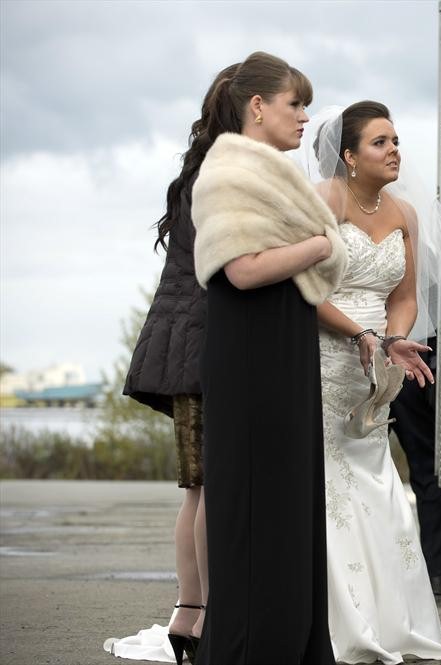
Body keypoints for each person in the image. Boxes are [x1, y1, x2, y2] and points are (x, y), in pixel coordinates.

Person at [191, 51, 347, 665]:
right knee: (259, 511)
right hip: (252, 358)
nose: (305, 117)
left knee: (288, 509)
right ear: (258, 107)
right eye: (295, 103)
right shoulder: (229, 172)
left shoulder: (272, 174)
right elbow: (243, 269)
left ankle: (292, 644)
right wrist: (319, 243)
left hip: (281, 349)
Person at [309, 101, 441, 663]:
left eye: (396, 140)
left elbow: (404, 296)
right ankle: (332, 622)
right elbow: (308, 289)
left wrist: (394, 338)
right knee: (330, 489)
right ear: (348, 155)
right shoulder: (322, 201)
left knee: (379, 484)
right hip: (326, 355)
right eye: (379, 142)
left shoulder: (403, 213)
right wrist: (359, 334)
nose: (395, 150)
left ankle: (389, 618)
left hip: (377, 365)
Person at [108, 65, 238, 665]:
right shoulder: (220, 173)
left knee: (197, 488)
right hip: (202, 343)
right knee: (211, 486)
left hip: (179, 339)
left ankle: (191, 611)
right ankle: (209, 610)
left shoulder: (196, 168)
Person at [388, 342, 441, 596]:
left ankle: (362, 562)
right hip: (408, 369)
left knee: (361, 468)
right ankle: (439, 568)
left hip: (363, 367)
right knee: (427, 468)